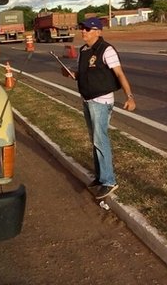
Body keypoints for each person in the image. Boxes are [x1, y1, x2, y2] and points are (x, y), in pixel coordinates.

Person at [62, 16, 136, 200]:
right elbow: (83, 74)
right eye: (83, 28)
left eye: (87, 29)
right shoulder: (83, 50)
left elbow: (119, 74)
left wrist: (130, 97)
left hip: (101, 102)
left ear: (98, 31)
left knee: (100, 140)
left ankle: (109, 181)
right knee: (94, 140)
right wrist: (71, 74)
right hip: (87, 100)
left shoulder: (106, 50)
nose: (83, 32)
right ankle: (100, 177)